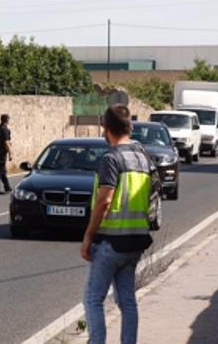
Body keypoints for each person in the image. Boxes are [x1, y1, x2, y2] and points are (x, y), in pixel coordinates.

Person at [81, 104, 154, 344]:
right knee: (127, 300)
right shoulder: (143, 158)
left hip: (110, 242)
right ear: (129, 127)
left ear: (106, 128)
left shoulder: (111, 159)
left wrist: (88, 237)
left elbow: (105, 201)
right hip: (136, 241)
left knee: (93, 299)